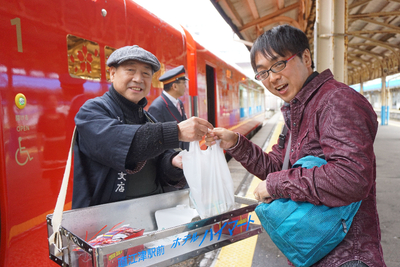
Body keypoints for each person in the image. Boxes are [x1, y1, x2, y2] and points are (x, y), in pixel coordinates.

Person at [205, 25, 385, 267]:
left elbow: (351, 177)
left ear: (306, 57)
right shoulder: (298, 109)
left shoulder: (336, 101)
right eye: (263, 72)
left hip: (346, 254)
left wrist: (276, 184)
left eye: (279, 64)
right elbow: (276, 167)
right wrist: (236, 143)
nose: (272, 78)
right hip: (314, 247)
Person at [72, 45, 213, 209]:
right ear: (112, 73)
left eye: (146, 73)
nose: (138, 79)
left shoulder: (148, 118)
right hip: (107, 222)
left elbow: (160, 161)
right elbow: (123, 143)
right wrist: (176, 131)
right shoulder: (91, 111)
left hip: (152, 214)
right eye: (130, 70)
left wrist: (174, 162)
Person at [148, 65, 189, 151]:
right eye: (184, 83)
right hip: (171, 159)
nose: (185, 87)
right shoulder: (157, 107)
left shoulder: (179, 103)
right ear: (174, 86)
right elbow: (156, 140)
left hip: (184, 155)